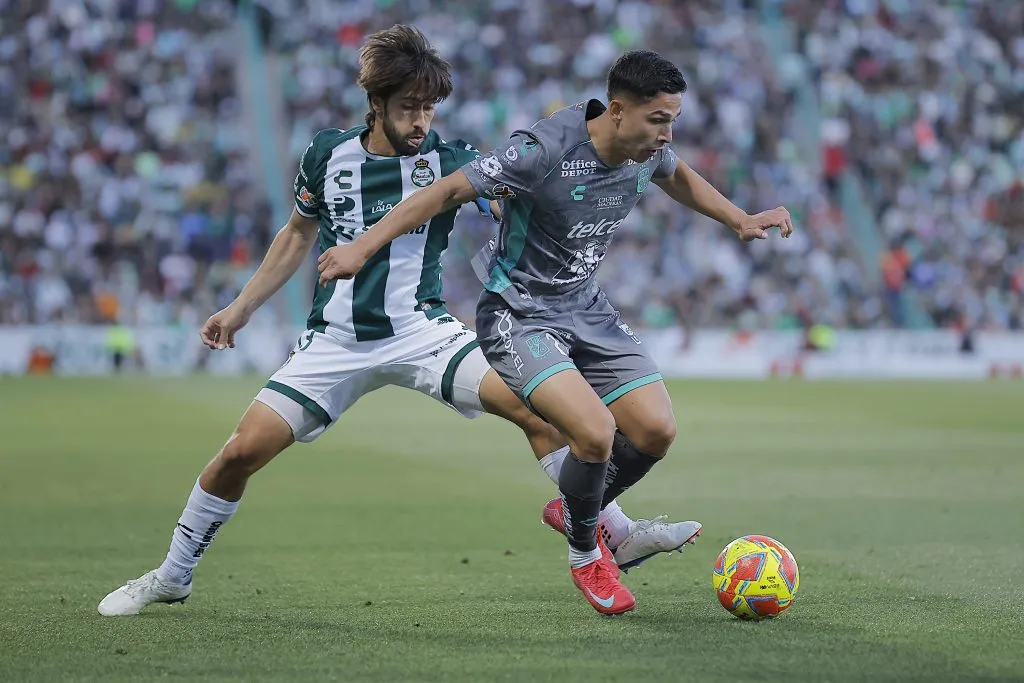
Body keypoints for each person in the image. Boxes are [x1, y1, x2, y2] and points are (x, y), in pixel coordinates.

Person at [98, 27, 696, 617]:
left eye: (429, 108)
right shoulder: (326, 155)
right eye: (408, 107)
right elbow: (296, 236)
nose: (420, 122)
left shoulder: (451, 159)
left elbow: (506, 191)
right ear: (375, 105)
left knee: (539, 410)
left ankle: (607, 533)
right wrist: (239, 309)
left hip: (425, 332)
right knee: (239, 454)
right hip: (336, 341)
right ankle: (172, 576)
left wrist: (507, 202)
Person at [316, 49, 793, 614]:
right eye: (658, 120)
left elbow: (677, 175)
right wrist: (361, 247)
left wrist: (739, 218)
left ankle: (577, 508)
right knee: (593, 434)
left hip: (587, 308)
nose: (667, 135)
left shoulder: (647, 149)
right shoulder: (544, 150)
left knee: (656, 431)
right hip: (518, 314)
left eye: (673, 121)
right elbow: (445, 191)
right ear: (616, 111)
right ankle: (587, 554)